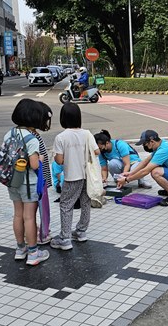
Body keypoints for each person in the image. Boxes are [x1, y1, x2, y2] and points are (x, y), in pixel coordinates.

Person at [6, 99, 50, 266]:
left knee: (17, 214)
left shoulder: (10, 133)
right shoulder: (31, 138)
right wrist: (40, 158)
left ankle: (20, 249)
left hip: (13, 181)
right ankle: (33, 253)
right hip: (29, 184)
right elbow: (34, 165)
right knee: (29, 217)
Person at [51, 102, 100, 250]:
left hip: (72, 176)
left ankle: (65, 238)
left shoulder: (61, 137)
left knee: (66, 205)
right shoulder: (87, 133)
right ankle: (81, 232)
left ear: (63, 118)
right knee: (85, 203)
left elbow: (59, 160)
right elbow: (96, 152)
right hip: (87, 176)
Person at [116, 130, 168, 206]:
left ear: (152, 142)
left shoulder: (163, 150)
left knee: (155, 172)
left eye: (145, 144)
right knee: (157, 167)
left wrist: (126, 180)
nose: (144, 146)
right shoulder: (162, 144)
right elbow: (145, 162)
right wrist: (130, 173)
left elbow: (145, 171)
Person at [30, 101, 53, 245]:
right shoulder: (33, 137)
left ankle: (35, 232)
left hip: (37, 179)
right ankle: (43, 234)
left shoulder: (31, 133)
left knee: (33, 208)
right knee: (42, 208)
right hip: (39, 179)